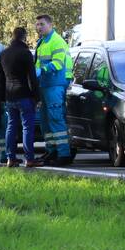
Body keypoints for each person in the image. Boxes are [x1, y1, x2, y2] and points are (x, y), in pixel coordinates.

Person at [0, 27, 42, 168]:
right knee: (27, 127)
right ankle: (29, 159)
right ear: (24, 37)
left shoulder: (4, 54)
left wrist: (2, 96)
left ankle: (10, 158)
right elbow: (32, 77)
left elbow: (1, 78)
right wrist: (37, 97)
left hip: (9, 95)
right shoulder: (25, 54)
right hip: (24, 95)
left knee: (11, 126)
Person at [34, 14, 73, 165]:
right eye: (37, 24)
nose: (39, 27)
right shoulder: (42, 42)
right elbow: (38, 63)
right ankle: (51, 151)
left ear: (50, 25)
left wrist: (40, 71)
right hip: (45, 85)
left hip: (55, 84)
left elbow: (57, 64)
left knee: (56, 118)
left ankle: (63, 154)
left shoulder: (56, 41)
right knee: (45, 121)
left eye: (42, 24)